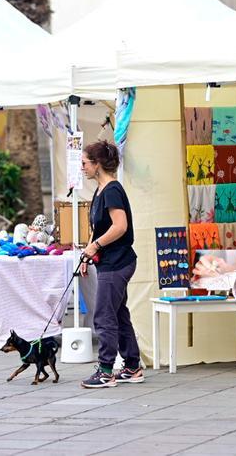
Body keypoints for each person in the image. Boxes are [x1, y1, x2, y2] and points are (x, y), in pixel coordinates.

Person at [78, 140, 143, 388]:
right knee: (117, 313)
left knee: (104, 315)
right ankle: (132, 366)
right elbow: (100, 228)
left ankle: (106, 371)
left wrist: (96, 246)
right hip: (109, 261)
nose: (82, 167)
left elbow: (120, 226)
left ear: (98, 164)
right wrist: (88, 254)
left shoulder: (113, 190)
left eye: (85, 163)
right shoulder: (100, 190)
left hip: (117, 263)